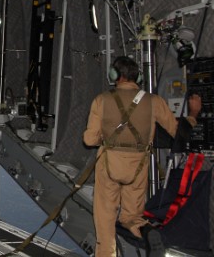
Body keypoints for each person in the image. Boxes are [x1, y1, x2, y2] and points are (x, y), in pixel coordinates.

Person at [83, 56, 202, 257]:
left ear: (114, 75)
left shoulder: (101, 100)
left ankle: (106, 253)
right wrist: (193, 114)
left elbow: (89, 140)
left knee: (105, 218)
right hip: (138, 165)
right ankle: (145, 231)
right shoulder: (154, 101)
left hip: (109, 165)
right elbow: (177, 132)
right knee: (132, 216)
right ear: (137, 76)